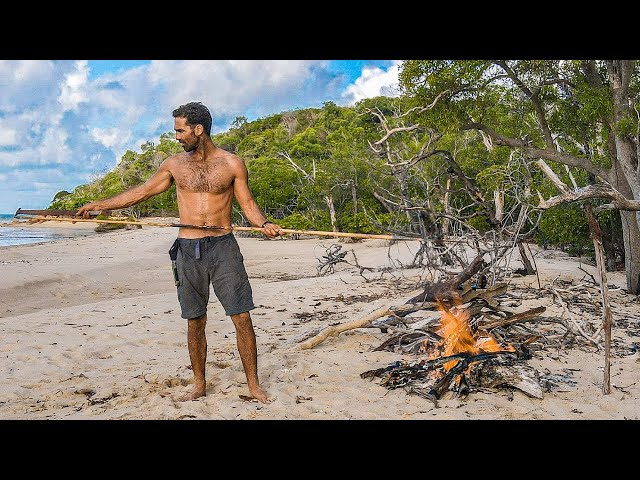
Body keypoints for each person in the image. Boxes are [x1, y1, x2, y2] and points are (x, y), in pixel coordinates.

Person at [77, 101, 281, 404]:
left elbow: (248, 205)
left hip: (224, 247)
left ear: (198, 130)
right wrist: (99, 205)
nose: (176, 136)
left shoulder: (232, 163)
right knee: (195, 319)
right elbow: (142, 192)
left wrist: (264, 223)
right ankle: (199, 384)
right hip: (188, 249)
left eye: (180, 130)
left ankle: (253, 385)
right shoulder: (174, 164)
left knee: (241, 316)